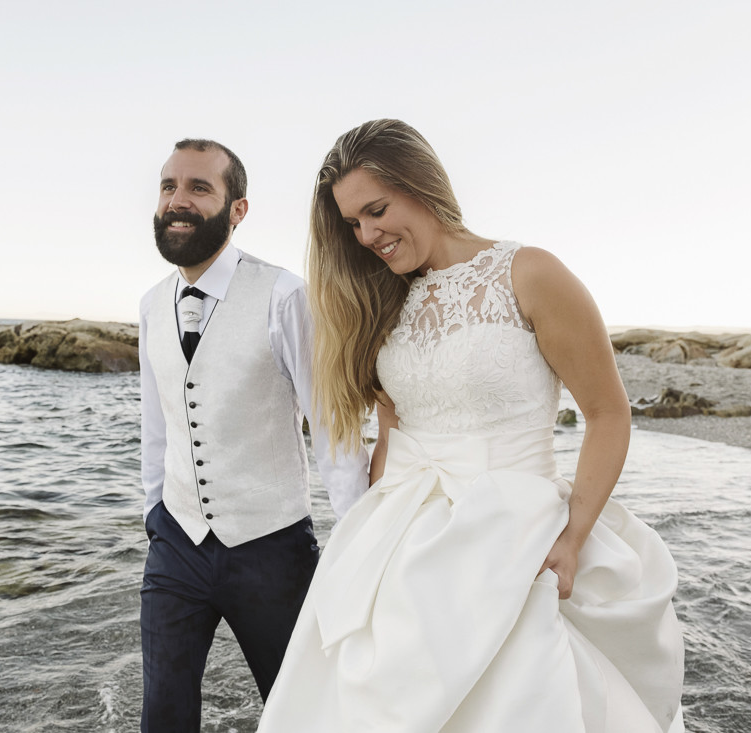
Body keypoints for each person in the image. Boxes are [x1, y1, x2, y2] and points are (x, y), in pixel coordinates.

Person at [258, 120, 685, 732]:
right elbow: (390, 435)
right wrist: (363, 544)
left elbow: (608, 415)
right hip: (404, 542)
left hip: (517, 533)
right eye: (353, 224)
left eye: (376, 211)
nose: (367, 235)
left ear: (421, 183)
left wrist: (571, 540)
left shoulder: (530, 273)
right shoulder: (383, 303)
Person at [138, 138, 370, 732]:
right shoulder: (150, 305)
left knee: (301, 711)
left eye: (198, 188)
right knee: (163, 716)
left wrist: (362, 539)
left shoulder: (284, 295)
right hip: (175, 545)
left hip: (271, 549)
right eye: (169, 186)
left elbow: (332, 425)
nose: (178, 201)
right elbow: (157, 425)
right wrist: (154, 515)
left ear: (237, 209)